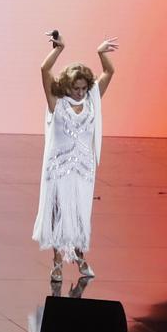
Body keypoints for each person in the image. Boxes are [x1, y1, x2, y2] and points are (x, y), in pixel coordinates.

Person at [33, 31, 117, 282]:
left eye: (83, 88)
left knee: (80, 215)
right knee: (60, 214)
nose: (80, 92)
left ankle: (80, 258)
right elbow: (44, 69)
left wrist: (101, 53)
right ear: (66, 85)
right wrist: (59, 48)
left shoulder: (92, 101)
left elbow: (108, 73)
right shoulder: (56, 102)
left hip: (83, 170)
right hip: (58, 169)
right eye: (75, 88)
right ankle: (57, 263)